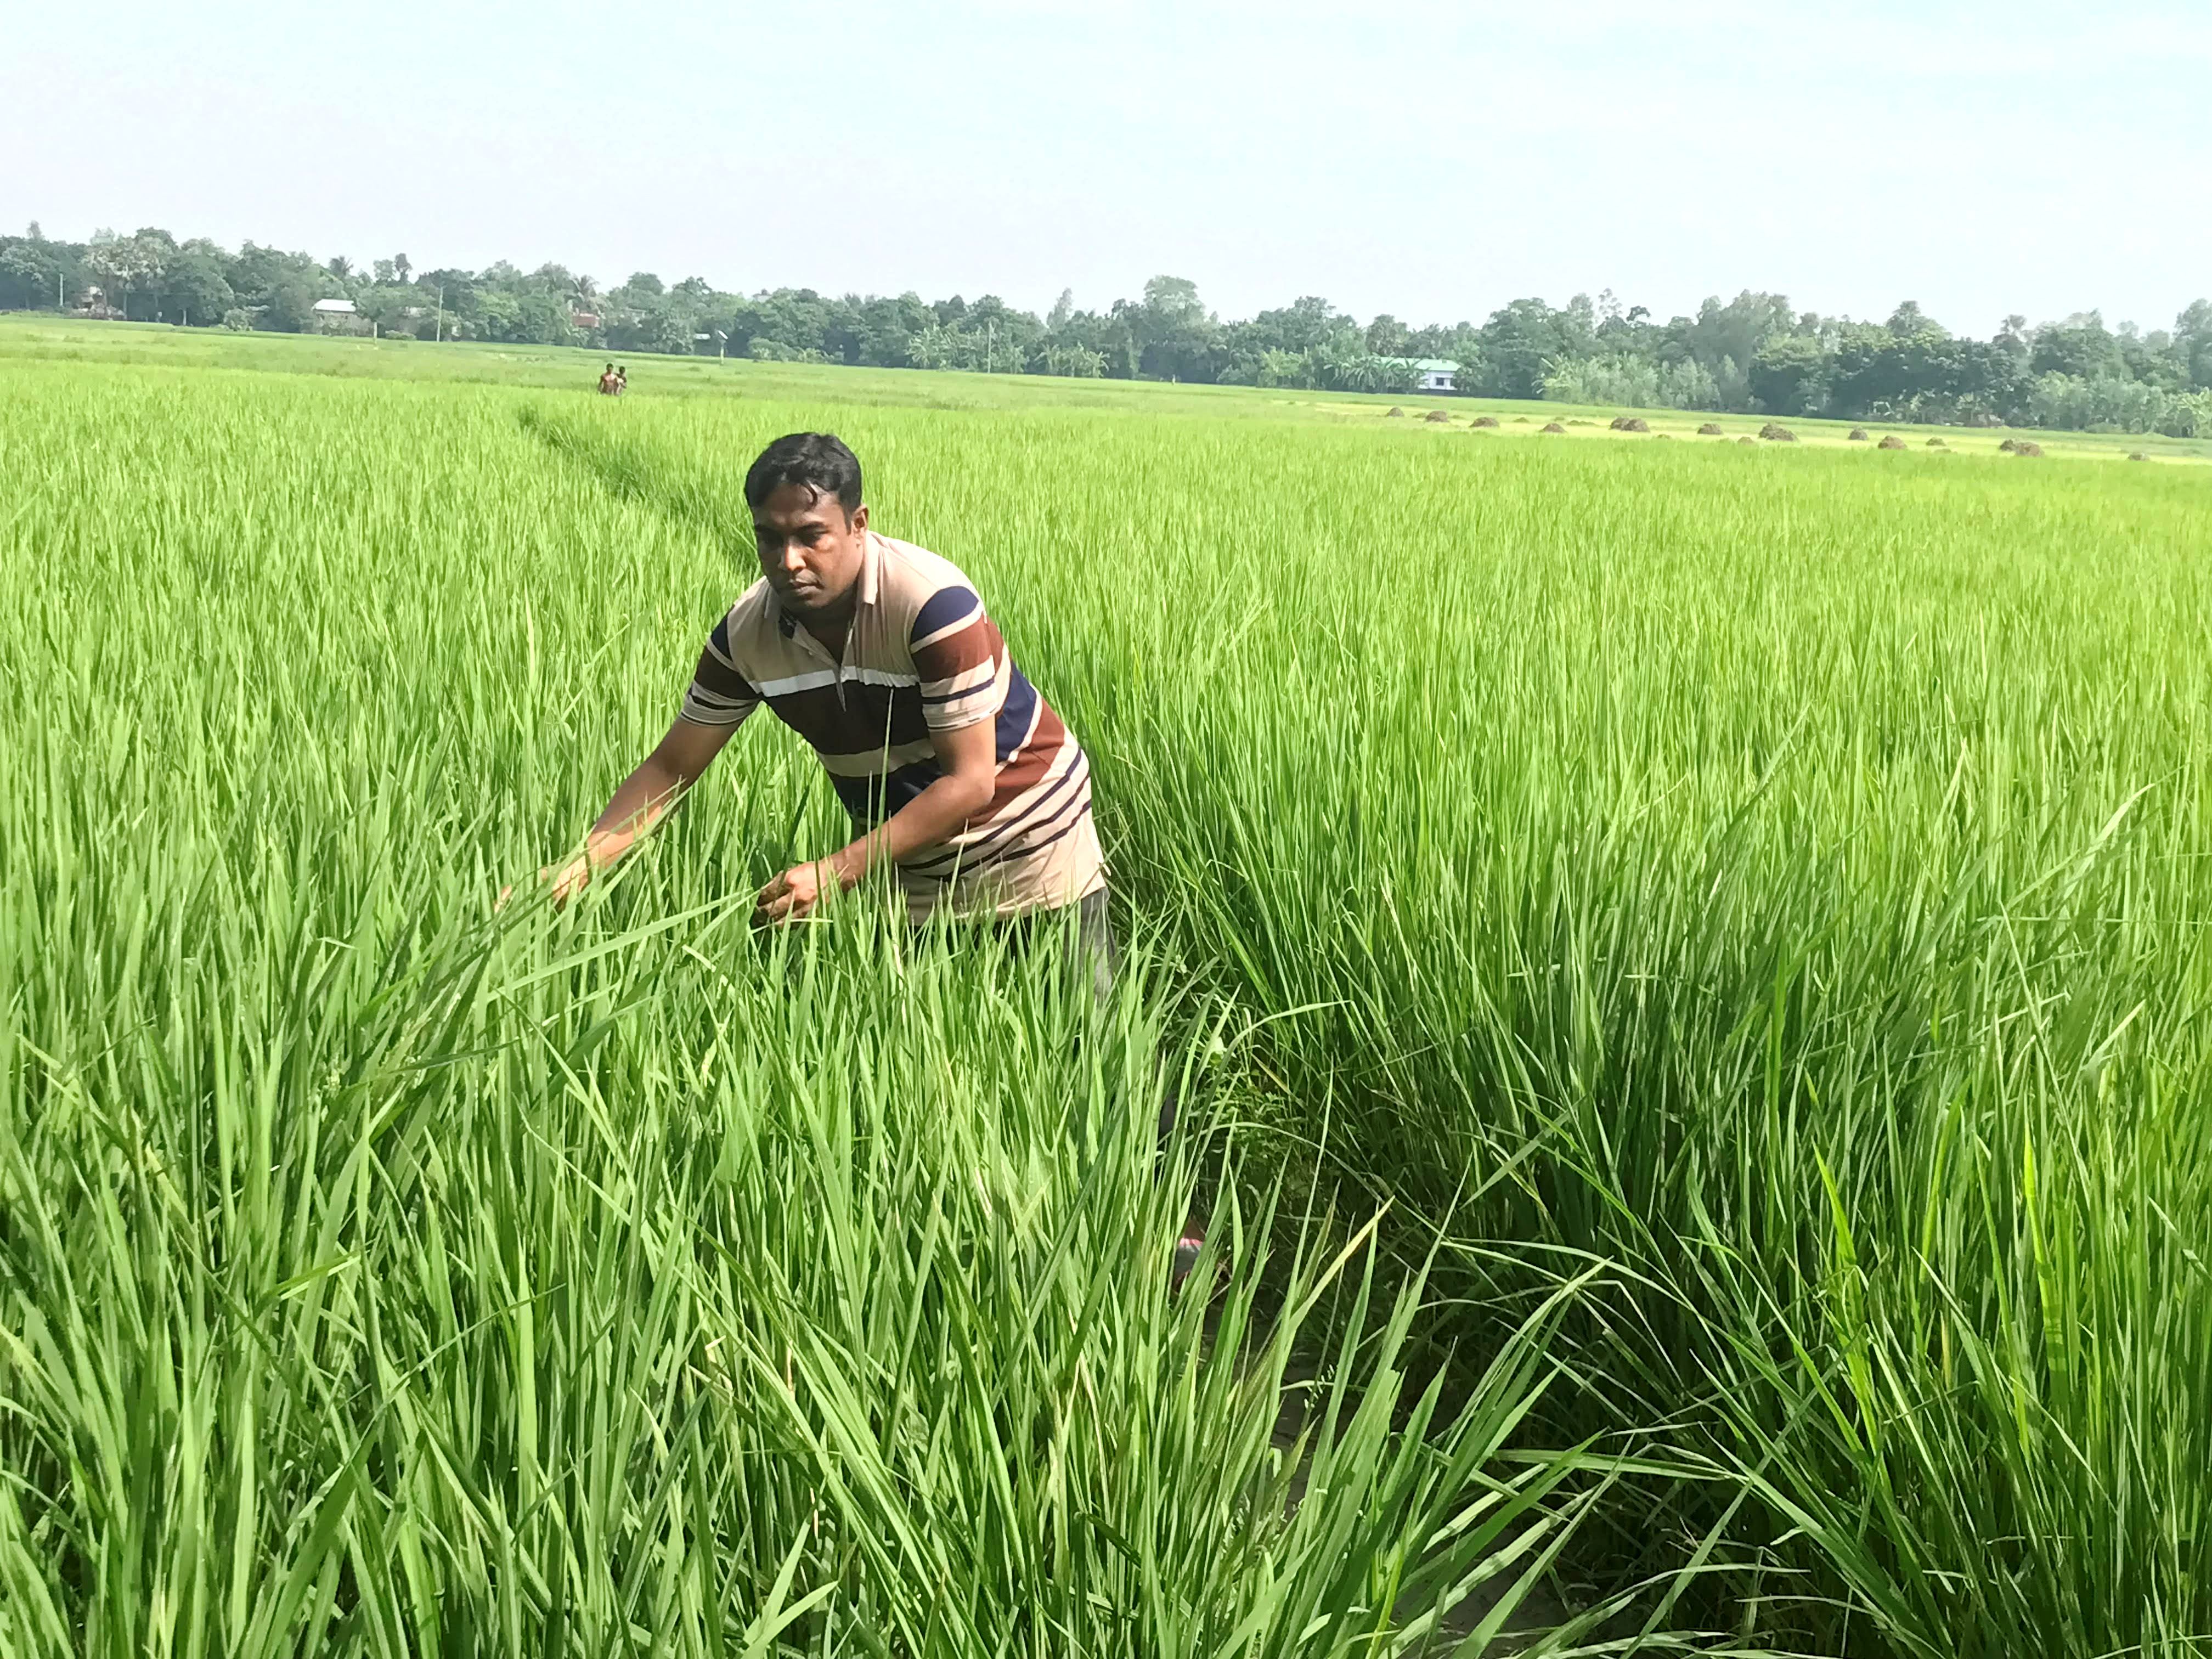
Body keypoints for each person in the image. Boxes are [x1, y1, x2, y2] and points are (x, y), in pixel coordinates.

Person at [543, 432, 1201, 1274]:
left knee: (1094, 1029)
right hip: (906, 852)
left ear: (857, 524)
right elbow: (674, 767)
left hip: (1028, 831)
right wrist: (576, 867)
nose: (789, 558)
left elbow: (970, 783)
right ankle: (980, 1226)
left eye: (809, 534)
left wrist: (836, 870)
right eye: (769, 538)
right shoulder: (750, 637)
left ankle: (1171, 1223)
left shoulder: (931, 605)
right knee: (929, 1048)